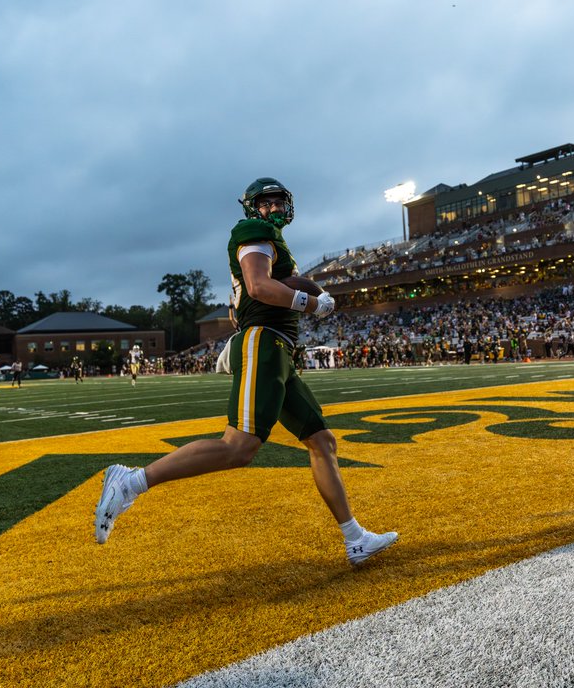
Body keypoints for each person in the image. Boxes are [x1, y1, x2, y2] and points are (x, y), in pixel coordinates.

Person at [94, 177, 398, 565]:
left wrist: (245, 333)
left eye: (277, 202)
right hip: (267, 342)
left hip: (277, 348)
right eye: (265, 203)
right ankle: (131, 482)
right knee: (238, 448)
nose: (272, 209)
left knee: (322, 441)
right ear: (252, 209)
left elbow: (242, 303)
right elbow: (257, 287)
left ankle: (354, 539)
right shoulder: (252, 232)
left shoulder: (270, 241)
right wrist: (310, 303)